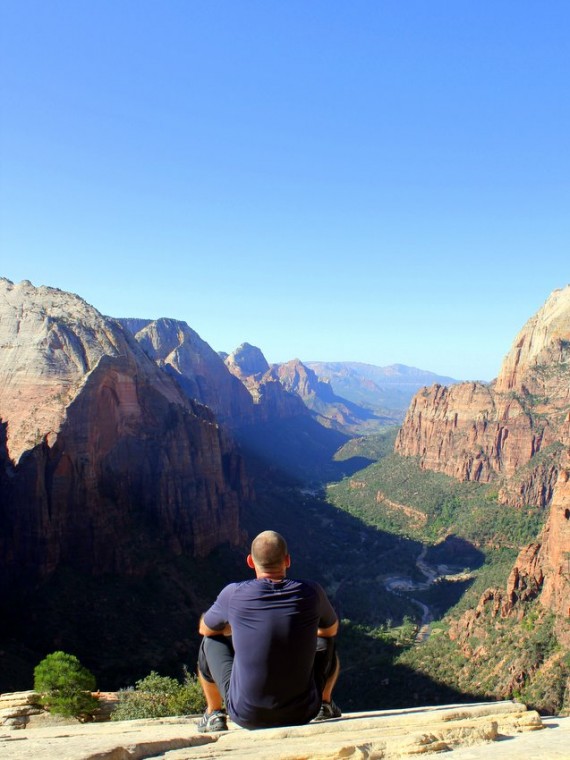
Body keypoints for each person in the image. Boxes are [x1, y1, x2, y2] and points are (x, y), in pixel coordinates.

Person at [196, 530, 341, 732]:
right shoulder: (312, 591)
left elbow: (205, 629)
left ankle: (214, 714)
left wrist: (233, 627)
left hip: (246, 715)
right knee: (327, 641)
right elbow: (330, 628)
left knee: (210, 643)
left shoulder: (233, 593)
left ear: (250, 561)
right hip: (303, 712)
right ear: (287, 560)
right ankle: (324, 705)